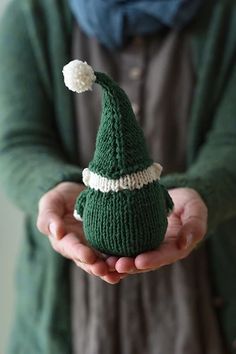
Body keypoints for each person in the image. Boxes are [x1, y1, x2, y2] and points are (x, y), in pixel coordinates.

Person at [0, 0, 236, 353]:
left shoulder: (226, 16)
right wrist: (53, 187)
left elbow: (231, 141)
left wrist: (203, 192)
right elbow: (18, 141)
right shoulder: (32, 14)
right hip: (69, 320)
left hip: (197, 310)